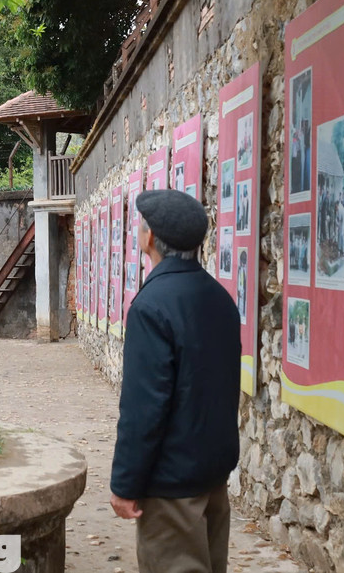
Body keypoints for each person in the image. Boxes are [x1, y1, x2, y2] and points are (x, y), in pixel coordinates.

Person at [110, 188, 241, 573]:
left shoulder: (151, 306)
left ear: (149, 237)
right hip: (212, 474)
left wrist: (125, 484)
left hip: (171, 485)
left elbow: (144, 408)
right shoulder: (219, 298)